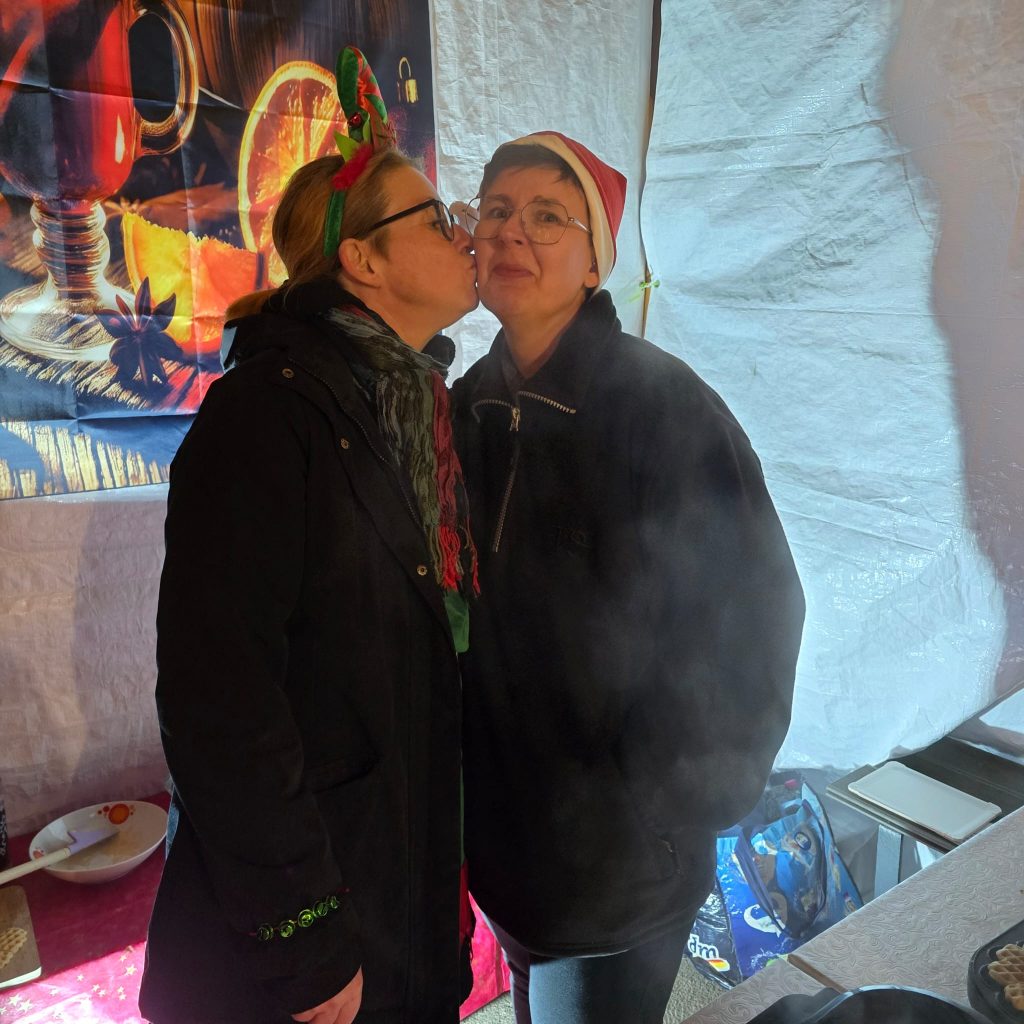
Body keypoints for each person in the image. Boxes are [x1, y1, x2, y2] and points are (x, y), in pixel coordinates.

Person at [140, 48, 480, 1024]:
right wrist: (303, 938)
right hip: (309, 950)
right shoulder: (266, 416)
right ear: (363, 260)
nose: (463, 234)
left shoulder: (415, 411)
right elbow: (219, 701)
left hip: (401, 903)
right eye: (436, 218)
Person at [451, 132, 806, 1024]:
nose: (512, 233)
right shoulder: (464, 408)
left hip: (620, 867)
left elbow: (756, 607)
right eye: (496, 211)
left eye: (547, 217)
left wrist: (671, 803)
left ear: (593, 264)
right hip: (507, 848)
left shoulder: (662, 407)